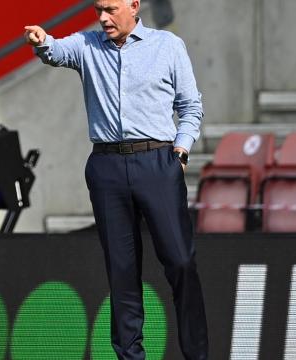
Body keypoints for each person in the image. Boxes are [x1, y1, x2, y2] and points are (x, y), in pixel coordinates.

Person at [24, 0, 208, 359]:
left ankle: (197, 355)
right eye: (98, 10)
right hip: (107, 166)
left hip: (158, 161)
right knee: (122, 272)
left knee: (181, 262)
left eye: (110, 9)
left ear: (134, 6)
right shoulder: (87, 45)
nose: (103, 18)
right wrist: (42, 40)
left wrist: (181, 153)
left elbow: (190, 106)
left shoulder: (167, 46)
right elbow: (56, 51)